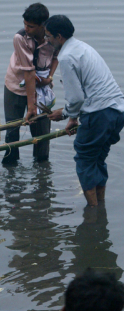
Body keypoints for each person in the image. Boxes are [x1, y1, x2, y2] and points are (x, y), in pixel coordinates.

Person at [46, 15, 124, 208]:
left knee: (85, 159)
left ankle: (93, 213)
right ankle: (101, 205)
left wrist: (65, 114)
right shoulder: (83, 47)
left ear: (59, 36)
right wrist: (72, 117)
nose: (47, 41)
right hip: (118, 110)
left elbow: (76, 98)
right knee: (97, 158)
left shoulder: (65, 56)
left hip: (99, 113)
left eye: (48, 37)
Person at [3, 3, 59, 165]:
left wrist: (49, 77)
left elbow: (56, 57)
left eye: (31, 26)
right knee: (12, 130)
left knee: (42, 133)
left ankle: (42, 168)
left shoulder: (53, 37)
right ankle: (10, 167)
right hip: (16, 87)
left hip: (41, 88)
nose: (27, 28)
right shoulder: (20, 38)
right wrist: (32, 106)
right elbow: (28, 72)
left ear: (43, 26)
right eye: (25, 25)